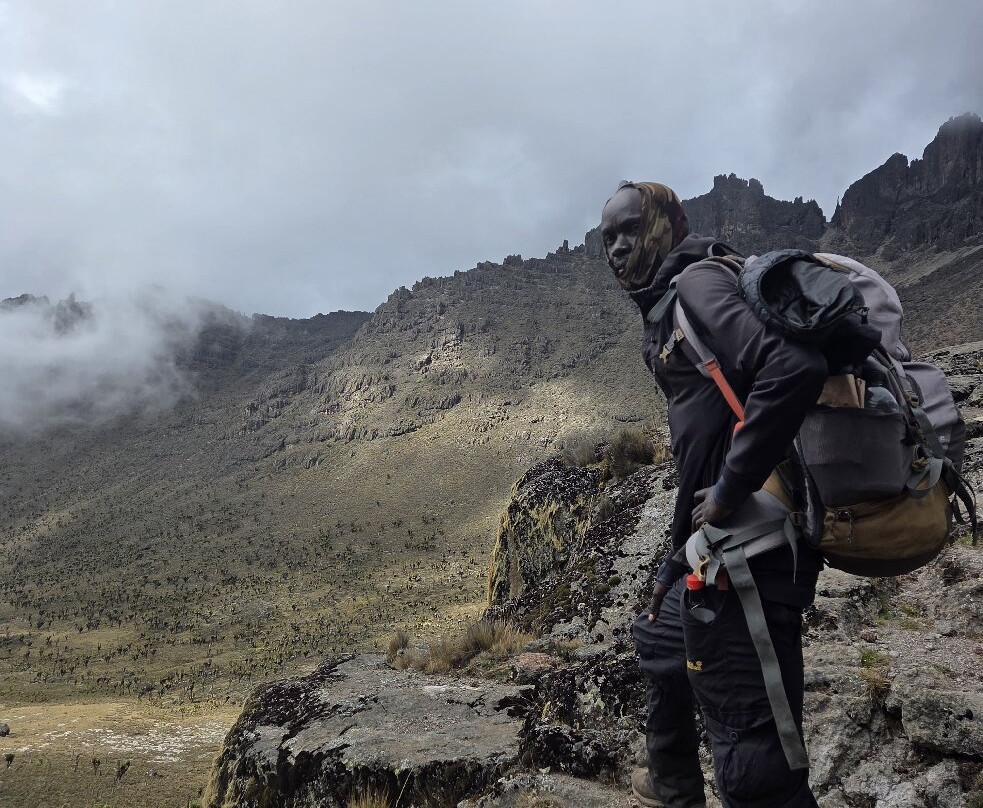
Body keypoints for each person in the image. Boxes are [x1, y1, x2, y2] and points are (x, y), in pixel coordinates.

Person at [599, 182, 826, 808]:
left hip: (752, 553)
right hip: (717, 548)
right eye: (607, 238)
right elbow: (707, 441)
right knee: (661, 639)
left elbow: (795, 370)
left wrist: (728, 492)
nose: (618, 248)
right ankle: (673, 785)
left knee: (753, 761)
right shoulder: (666, 309)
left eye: (630, 228)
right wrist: (678, 556)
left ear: (674, 221)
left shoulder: (698, 285)